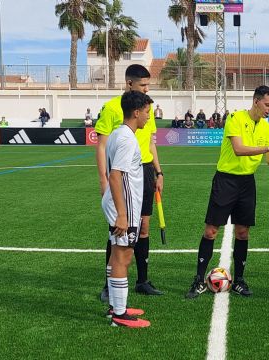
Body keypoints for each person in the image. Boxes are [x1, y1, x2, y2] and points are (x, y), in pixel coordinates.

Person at [185, 85, 269, 299]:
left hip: (247, 183)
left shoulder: (267, 128)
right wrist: (268, 148)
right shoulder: (236, 119)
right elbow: (239, 149)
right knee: (211, 231)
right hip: (225, 180)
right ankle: (198, 280)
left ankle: (239, 280)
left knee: (243, 233)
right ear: (256, 101)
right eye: (268, 104)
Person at [95, 64, 164, 302]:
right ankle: (109, 285)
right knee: (119, 228)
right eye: (143, 85)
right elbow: (103, 145)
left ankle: (142, 281)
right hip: (122, 173)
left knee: (143, 227)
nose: (147, 89)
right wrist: (104, 180)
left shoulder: (147, 107)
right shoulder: (114, 108)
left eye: (148, 85)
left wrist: (158, 172)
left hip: (143, 171)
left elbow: (151, 142)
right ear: (129, 84)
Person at [102, 90, 153, 328]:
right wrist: (123, 215)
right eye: (146, 112)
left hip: (119, 202)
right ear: (136, 112)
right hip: (124, 205)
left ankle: (115, 307)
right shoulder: (126, 139)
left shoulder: (118, 134)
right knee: (124, 256)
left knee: (116, 255)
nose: (148, 117)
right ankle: (120, 316)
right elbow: (115, 176)